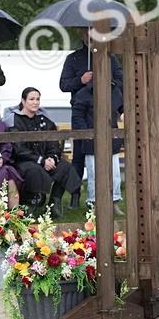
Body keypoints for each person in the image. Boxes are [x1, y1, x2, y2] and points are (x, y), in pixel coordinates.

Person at [59, 29, 123, 209]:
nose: (90, 35)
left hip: (107, 112)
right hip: (81, 113)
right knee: (79, 157)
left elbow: (121, 81)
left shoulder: (110, 58)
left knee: (110, 156)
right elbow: (64, 84)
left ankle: (112, 197)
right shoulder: (73, 59)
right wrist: (81, 80)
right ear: (81, 35)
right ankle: (75, 195)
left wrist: (105, 79)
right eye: (86, 32)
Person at [8, 87, 82, 218]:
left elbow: (53, 144)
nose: (35, 102)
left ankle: (55, 201)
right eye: (31, 99)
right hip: (24, 162)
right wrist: (41, 161)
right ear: (23, 101)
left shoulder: (45, 121)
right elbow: (19, 149)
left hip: (44, 160)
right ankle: (32, 201)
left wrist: (52, 158)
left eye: (37, 99)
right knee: (35, 170)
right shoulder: (15, 120)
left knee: (64, 167)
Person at [71, 76, 124, 217]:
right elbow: (77, 116)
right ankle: (94, 204)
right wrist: (87, 135)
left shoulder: (115, 91)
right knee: (94, 173)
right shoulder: (83, 94)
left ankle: (114, 203)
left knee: (115, 174)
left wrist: (124, 113)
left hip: (111, 138)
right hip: (92, 140)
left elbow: (122, 107)